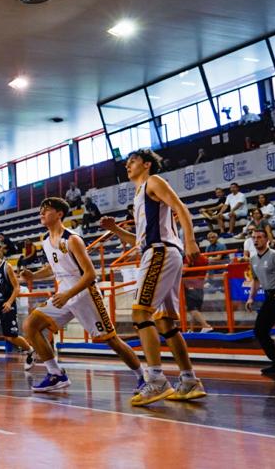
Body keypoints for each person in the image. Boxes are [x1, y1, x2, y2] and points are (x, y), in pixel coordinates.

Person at [100, 148, 206, 405]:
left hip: (161, 252)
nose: (128, 165)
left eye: (133, 161)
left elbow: (181, 209)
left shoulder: (154, 182)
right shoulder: (139, 195)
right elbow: (138, 241)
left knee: (140, 313)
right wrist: (115, 230)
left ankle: (156, 380)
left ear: (147, 164)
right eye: (127, 162)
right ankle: (189, 379)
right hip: (158, 251)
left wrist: (190, 240)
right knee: (166, 323)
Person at [21, 197, 144, 393]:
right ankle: (56, 374)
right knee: (30, 325)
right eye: (41, 210)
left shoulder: (72, 239)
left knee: (112, 340)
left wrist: (69, 294)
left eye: (46, 210)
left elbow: (90, 274)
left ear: (60, 214)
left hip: (84, 294)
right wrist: (33, 275)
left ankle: (143, 377)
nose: (41, 213)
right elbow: (53, 267)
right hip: (63, 295)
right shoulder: (44, 240)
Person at [0, 237, 35, 372]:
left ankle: (30, 350)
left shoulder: (7, 267)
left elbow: (17, 287)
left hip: (6, 304)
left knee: (10, 336)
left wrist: (9, 302)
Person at [246, 228, 275, 375]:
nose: (256, 240)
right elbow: (255, 280)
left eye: (259, 237)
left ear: (267, 239)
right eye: (254, 237)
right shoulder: (253, 259)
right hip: (270, 298)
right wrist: (251, 297)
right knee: (260, 331)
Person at [183, 252, 214, 333]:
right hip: (200, 286)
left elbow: (183, 271)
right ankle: (191, 329)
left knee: (192, 309)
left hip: (190, 285)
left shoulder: (188, 257)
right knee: (195, 309)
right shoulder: (204, 258)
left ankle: (206, 326)